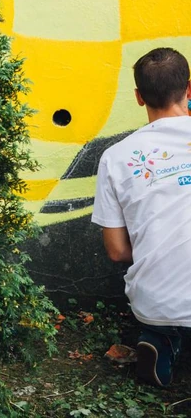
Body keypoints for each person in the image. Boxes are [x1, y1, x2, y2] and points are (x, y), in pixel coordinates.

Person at [92, 47, 191, 387]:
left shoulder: (115, 157)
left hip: (156, 301)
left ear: (138, 97)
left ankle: (160, 339)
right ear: (189, 89)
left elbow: (117, 251)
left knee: (160, 309)